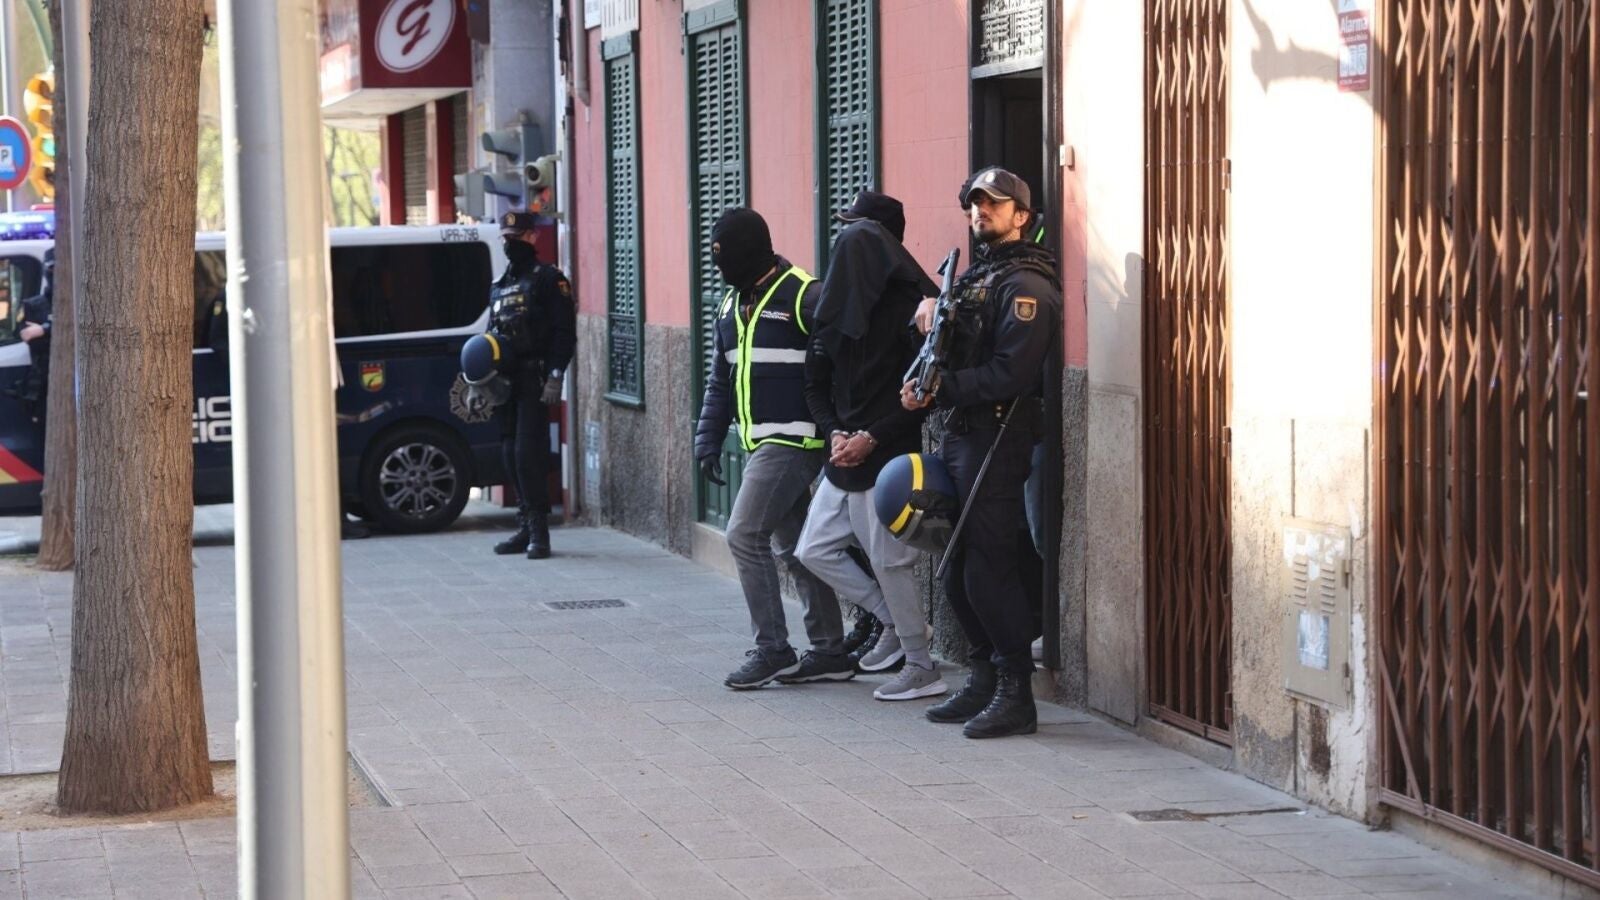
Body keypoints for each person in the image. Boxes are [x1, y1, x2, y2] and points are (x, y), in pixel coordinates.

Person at [901, 167, 1062, 738]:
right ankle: (984, 677)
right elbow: (954, 347)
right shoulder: (978, 276)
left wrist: (942, 389)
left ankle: (1017, 692)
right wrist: (925, 334)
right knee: (955, 567)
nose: (981, 211)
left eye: (994, 203)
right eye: (975, 203)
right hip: (962, 432)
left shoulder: (1027, 285)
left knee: (987, 567)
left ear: (1022, 216)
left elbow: (1010, 375)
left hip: (997, 435)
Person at [796, 190, 947, 701]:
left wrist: (870, 436)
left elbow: (921, 396)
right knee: (813, 548)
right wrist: (835, 433)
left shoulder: (912, 311)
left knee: (890, 562)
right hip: (843, 453)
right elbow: (815, 384)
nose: (845, 245)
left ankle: (921, 665)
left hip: (887, 456)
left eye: (858, 235)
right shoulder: (832, 304)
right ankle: (895, 624)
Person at [694, 207, 846, 690]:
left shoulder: (804, 294)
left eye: (727, 258)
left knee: (743, 534)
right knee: (795, 547)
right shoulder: (729, 306)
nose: (721, 268)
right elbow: (721, 381)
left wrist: (841, 430)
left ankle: (774, 650)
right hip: (760, 442)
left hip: (796, 440)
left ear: (752, 253)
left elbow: (840, 366)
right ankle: (831, 651)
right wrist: (708, 439)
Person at [489, 211, 576, 559]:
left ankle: (540, 532)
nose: (511, 244)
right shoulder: (499, 285)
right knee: (509, 454)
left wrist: (556, 374)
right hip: (505, 382)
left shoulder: (549, 280)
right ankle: (524, 525)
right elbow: (491, 335)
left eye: (517, 237)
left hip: (535, 378)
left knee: (528, 454)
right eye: (507, 238)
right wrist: (480, 379)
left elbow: (564, 332)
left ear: (533, 237)